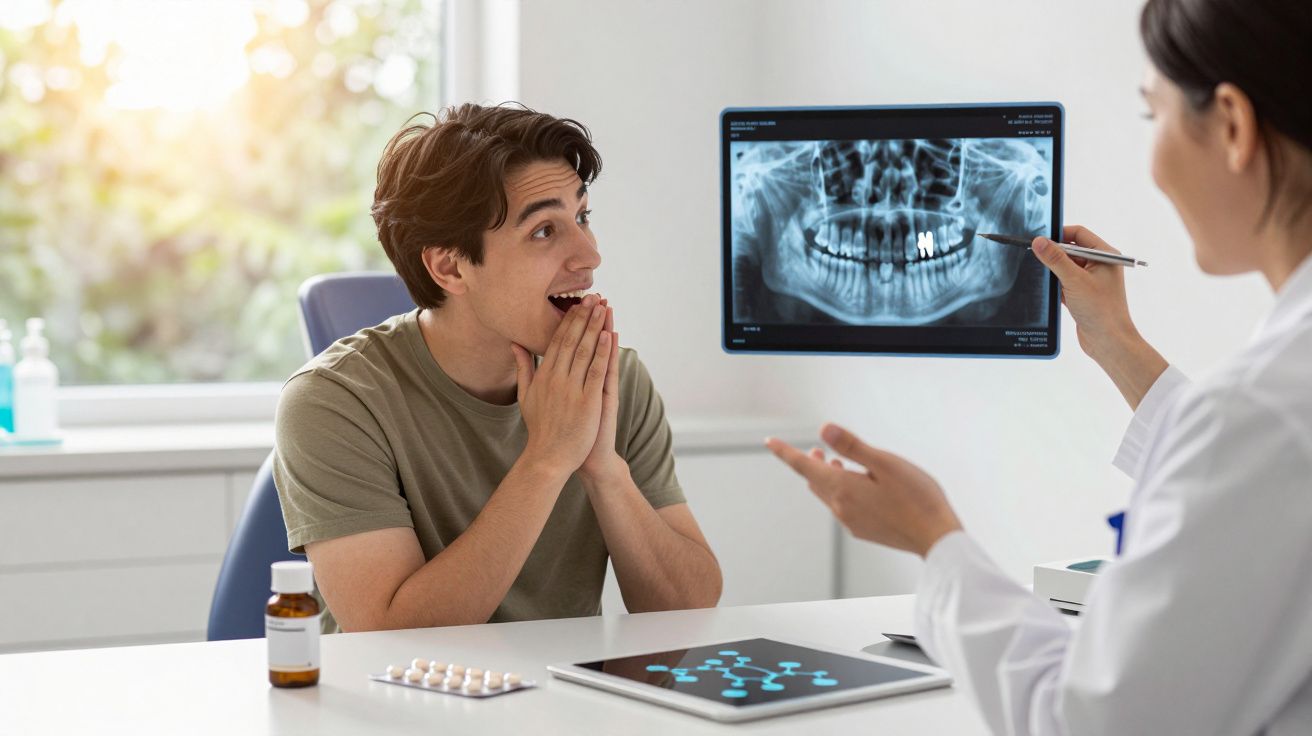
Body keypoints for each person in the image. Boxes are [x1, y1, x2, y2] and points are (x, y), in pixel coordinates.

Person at [766, 0, 1312, 732]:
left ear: (1235, 127)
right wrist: (1116, 341)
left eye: (1154, 117)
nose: (1154, 164)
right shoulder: (1273, 403)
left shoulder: (1260, 412)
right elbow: (1260, 468)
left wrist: (935, 539)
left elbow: (1083, 723)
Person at [274, 103, 722, 634]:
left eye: (582, 217)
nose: (589, 255)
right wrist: (548, 459)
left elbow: (689, 609)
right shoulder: (333, 401)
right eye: (543, 231)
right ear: (450, 266)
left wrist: (602, 467)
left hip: (565, 707)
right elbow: (389, 633)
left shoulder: (615, 380)